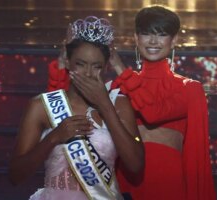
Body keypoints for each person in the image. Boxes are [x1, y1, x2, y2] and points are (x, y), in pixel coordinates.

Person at [47, 6, 216, 200]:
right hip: (125, 179)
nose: (153, 41)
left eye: (161, 35)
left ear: (174, 40)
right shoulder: (118, 86)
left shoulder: (188, 88)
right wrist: (63, 60)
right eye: (146, 34)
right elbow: (60, 112)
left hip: (168, 184)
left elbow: (153, 113)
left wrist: (119, 66)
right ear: (136, 38)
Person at [9, 16, 144, 200]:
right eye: (80, 64)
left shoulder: (118, 104)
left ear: (105, 68)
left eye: (96, 66)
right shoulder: (42, 105)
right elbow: (16, 175)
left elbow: (136, 166)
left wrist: (105, 106)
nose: (88, 73)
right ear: (68, 62)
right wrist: (54, 137)